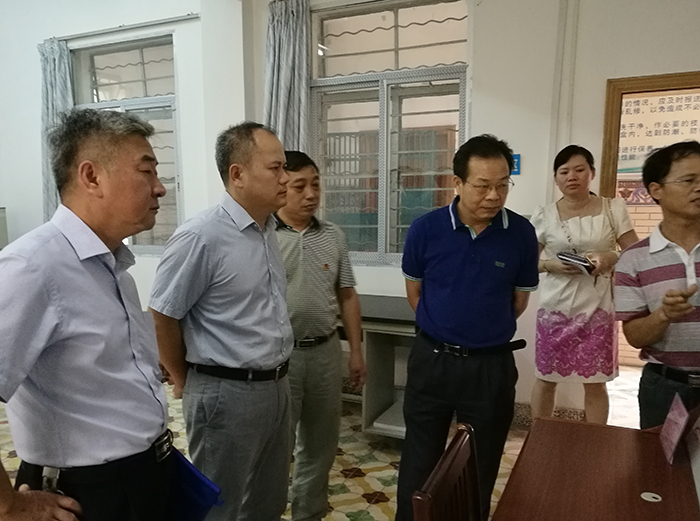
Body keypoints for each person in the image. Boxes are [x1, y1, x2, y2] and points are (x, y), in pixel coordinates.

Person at [0, 108, 176, 521]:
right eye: (146, 171)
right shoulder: (32, 267)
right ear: (91, 176)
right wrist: (8, 506)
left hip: (146, 473)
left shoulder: (113, 266)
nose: (160, 188)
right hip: (87, 492)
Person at [149, 122, 293, 521]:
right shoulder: (202, 236)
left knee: (267, 502)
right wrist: (185, 379)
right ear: (238, 174)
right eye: (276, 168)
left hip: (276, 386)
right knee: (219, 509)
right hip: (225, 393)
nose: (285, 178)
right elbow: (163, 314)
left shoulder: (266, 230)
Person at [397, 134, 540, 521]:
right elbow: (415, 294)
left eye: (503, 184)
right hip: (433, 361)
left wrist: (480, 333)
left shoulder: (521, 234)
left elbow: (518, 301)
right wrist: (446, 329)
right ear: (457, 183)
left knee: (479, 466)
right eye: (483, 185)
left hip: (490, 367)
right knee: (419, 461)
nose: (494, 195)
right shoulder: (426, 229)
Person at [274, 151, 366, 521]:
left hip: (326, 352)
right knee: (276, 447)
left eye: (316, 184)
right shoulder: (264, 235)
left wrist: (355, 351)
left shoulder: (333, 236)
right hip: (280, 358)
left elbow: (347, 295)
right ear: (282, 186)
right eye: (300, 186)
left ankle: (308, 514)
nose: (311, 194)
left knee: (321, 444)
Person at [530, 145, 638, 424]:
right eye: (564, 171)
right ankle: (540, 437)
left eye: (579, 170)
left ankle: (595, 439)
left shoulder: (613, 208)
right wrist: (550, 265)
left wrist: (611, 256)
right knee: (546, 377)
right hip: (555, 309)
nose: (572, 176)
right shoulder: (544, 215)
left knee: (596, 381)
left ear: (592, 173)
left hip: (597, 308)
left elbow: (636, 252)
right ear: (556, 178)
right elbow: (526, 262)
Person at [616, 140, 700, 429]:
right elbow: (635, 336)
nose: (698, 188)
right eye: (688, 180)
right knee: (659, 458)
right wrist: (663, 314)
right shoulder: (634, 258)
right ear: (656, 190)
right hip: (664, 387)